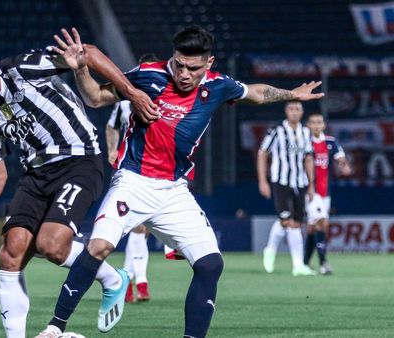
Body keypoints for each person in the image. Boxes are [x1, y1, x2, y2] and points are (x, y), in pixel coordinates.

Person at [39, 25, 324, 338]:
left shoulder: (218, 86)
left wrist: (292, 94)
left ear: (209, 63)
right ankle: (55, 329)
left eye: (193, 68)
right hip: (133, 181)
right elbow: (95, 98)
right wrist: (80, 69)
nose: (184, 74)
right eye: (178, 64)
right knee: (98, 247)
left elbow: (254, 93)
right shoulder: (149, 75)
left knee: (211, 264)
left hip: (174, 191)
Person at [0, 28, 157, 338]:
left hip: (79, 160)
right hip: (36, 175)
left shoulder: (22, 69)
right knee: (10, 251)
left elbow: (89, 52)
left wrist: (132, 93)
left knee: (51, 246)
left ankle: (112, 278)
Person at [106, 53, 159, 303]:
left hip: (156, 169)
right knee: (136, 226)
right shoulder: (125, 101)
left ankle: (129, 279)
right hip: (129, 166)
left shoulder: (162, 98)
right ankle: (140, 282)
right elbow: (111, 126)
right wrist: (111, 149)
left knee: (142, 230)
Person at [258, 102, 316, 276]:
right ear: (286, 111)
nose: (295, 112)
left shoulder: (306, 132)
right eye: (291, 109)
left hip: (301, 182)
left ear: (302, 112)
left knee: (297, 224)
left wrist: (311, 184)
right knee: (286, 220)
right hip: (280, 181)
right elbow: (263, 153)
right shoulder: (276, 130)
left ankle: (298, 266)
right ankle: (272, 250)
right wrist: (263, 181)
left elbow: (308, 158)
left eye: (298, 109)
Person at [303, 113, 351, 274]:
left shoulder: (330, 141)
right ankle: (323, 264)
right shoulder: (304, 142)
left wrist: (344, 165)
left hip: (325, 192)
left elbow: (340, 157)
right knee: (322, 223)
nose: (316, 125)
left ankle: (304, 263)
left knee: (312, 228)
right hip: (310, 191)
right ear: (308, 125)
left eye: (319, 122)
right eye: (313, 122)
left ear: (323, 125)